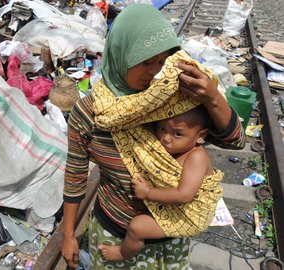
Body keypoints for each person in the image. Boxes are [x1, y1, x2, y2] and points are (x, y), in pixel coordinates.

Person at [61, 3, 245, 269]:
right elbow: (75, 175)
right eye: (146, 61)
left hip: (169, 234)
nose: (154, 71)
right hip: (114, 231)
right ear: (121, 52)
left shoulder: (170, 97)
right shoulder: (90, 113)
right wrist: (68, 234)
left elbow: (235, 142)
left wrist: (213, 98)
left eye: (161, 61)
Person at [99, 106, 224, 261]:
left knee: (137, 227)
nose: (165, 138)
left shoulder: (197, 156)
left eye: (177, 133)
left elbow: (184, 195)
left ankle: (123, 254)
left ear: (201, 136)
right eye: (161, 128)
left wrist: (147, 193)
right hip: (179, 207)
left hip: (190, 217)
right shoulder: (173, 149)